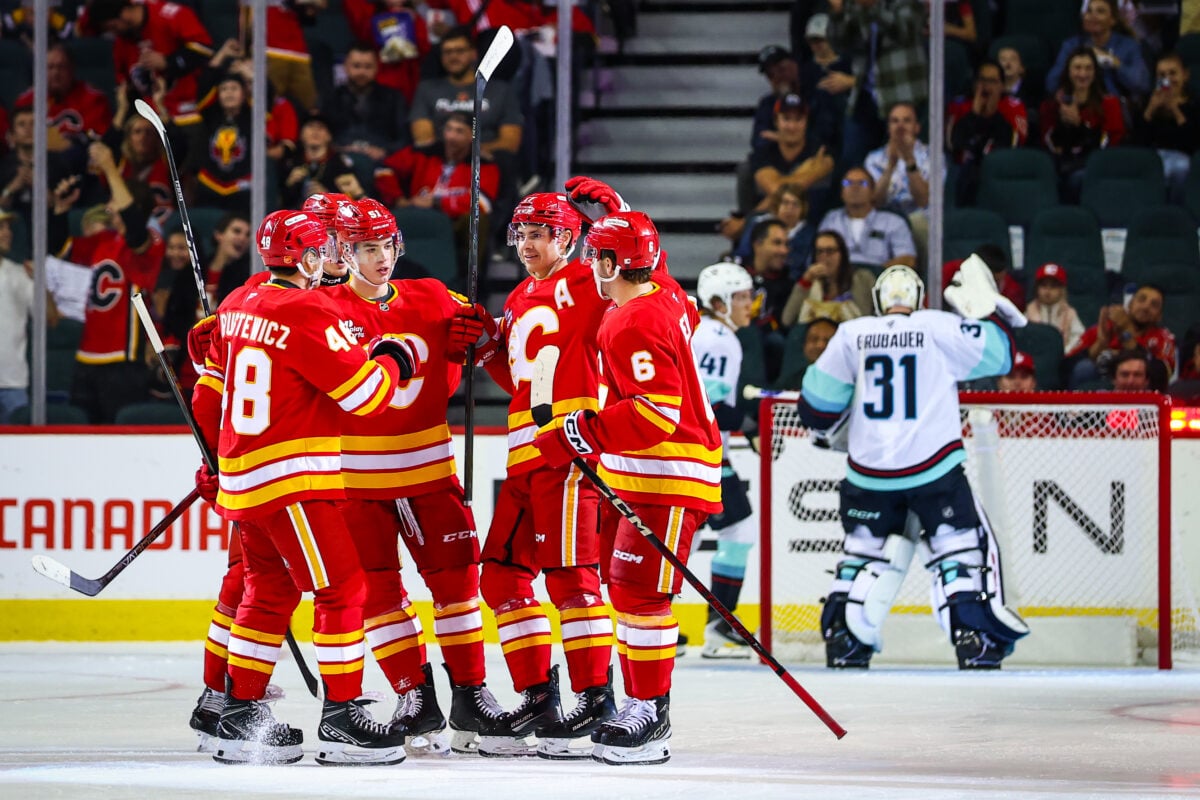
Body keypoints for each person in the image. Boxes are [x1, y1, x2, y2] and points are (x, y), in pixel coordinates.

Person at [190, 209, 414, 765]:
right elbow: (365, 397)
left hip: (245, 479)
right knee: (343, 589)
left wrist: (215, 459)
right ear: (309, 257)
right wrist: (392, 359)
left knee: (268, 591)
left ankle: (237, 714)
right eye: (323, 251)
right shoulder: (308, 309)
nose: (329, 261)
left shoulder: (238, 302)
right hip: (292, 477)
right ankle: (342, 717)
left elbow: (208, 393)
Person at [532, 210, 722, 765]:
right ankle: (642, 703)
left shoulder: (633, 320)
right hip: (646, 471)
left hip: (669, 473)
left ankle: (649, 713)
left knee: (640, 594)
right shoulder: (666, 298)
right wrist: (621, 213)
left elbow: (656, 413)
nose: (589, 264)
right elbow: (667, 283)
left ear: (615, 265)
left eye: (597, 256)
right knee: (626, 589)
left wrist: (578, 432)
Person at [324, 198, 505, 755]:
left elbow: (499, 343)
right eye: (367, 248)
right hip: (355, 481)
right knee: (378, 594)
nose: (381, 258)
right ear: (343, 252)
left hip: (428, 469)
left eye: (387, 245)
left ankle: (471, 694)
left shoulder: (432, 295)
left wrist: (478, 338)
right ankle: (414, 696)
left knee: (458, 587)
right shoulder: (320, 308)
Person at [799, 264, 1030, 670]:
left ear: (878, 300)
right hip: (934, 467)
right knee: (958, 551)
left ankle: (844, 641)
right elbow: (1002, 356)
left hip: (868, 472)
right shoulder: (938, 326)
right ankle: (974, 639)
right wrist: (988, 310)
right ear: (920, 299)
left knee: (863, 554)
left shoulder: (852, 334)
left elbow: (816, 409)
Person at [465, 188, 621, 759]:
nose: (527, 245)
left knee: (571, 578)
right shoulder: (517, 296)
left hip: (567, 452)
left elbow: (643, 282)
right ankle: (538, 696)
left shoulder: (591, 280)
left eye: (540, 234)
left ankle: (596, 697)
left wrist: (619, 217)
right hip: (523, 455)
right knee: (501, 577)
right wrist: (487, 350)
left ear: (569, 238)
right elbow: (524, 384)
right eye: (522, 234)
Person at [47, 144, 163, 424]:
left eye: (114, 199)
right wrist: (60, 210)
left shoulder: (150, 244)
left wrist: (110, 167)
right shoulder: (103, 241)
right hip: (87, 357)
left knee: (120, 431)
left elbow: (134, 227)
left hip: (123, 359)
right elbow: (59, 248)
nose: (109, 206)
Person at [692, 262, 758, 660]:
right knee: (735, 531)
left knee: (697, 536)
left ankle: (654, 619)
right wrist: (752, 419)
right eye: (741, 297)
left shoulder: (705, 331)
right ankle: (718, 626)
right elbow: (710, 407)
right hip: (703, 454)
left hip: (698, 452)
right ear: (719, 303)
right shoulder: (719, 339)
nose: (749, 304)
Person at [85, 0, 214, 125]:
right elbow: (124, 83)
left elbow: (205, 49)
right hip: (151, 118)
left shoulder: (170, 15)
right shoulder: (121, 42)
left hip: (193, 108)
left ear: (125, 13)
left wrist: (168, 62)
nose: (113, 32)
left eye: (113, 26)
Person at [1040, 47, 1125, 203]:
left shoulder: (1109, 104)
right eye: (1077, 68)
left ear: (1095, 72)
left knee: (1077, 179)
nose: (1083, 74)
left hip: (1094, 166)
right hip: (1060, 163)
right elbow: (1049, 144)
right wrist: (1063, 123)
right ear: (1068, 71)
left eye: (1088, 68)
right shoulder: (1052, 105)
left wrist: (1080, 125)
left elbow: (1108, 145)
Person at [864, 102, 940, 260]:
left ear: (917, 127)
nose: (900, 126)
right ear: (888, 127)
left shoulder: (932, 156)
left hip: (919, 219)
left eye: (906, 120)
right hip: (884, 218)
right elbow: (874, 202)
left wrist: (909, 160)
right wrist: (890, 167)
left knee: (918, 221)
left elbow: (923, 200)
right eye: (895, 121)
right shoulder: (873, 159)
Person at [947, 60, 1028, 206]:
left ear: (1002, 85)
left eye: (992, 81)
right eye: (982, 80)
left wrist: (992, 116)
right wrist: (974, 115)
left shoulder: (1013, 107)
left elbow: (1013, 145)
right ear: (974, 83)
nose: (986, 86)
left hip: (1001, 172)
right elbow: (953, 144)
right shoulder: (959, 105)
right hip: (964, 173)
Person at [1067, 283, 1176, 388]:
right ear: (1130, 304)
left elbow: (1162, 376)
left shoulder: (1163, 337)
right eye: (1141, 300)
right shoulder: (1104, 327)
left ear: (1159, 316)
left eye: (1154, 305)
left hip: (1140, 396)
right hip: (1098, 393)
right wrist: (1101, 343)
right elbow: (1066, 367)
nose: (1146, 307)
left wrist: (1128, 334)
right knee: (1085, 368)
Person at [1045, 0, 1150, 109]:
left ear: (1112, 20)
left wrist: (1115, 63)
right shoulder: (1072, 45)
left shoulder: (1129, 46)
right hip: (1080, 106)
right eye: (1089, 11)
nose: (1092, 16)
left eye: (1100, 11)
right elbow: (1051, 84)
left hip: (1116, 108)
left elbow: (1142, 84)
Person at [321, 43, 411, 165]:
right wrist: (338, 149)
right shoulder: (330, 98)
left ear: (376, 68)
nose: (362, 72)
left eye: (368, 67)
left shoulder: (394, 98)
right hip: (338, 162)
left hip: (383, 162)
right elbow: (319, 133)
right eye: (356, 66)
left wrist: (385, 151)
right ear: (345, 67)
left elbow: (404, 138)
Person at [816, 167, 916, 271]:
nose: (854, 187)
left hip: (877, 276)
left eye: (862, 183)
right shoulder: (831, 220)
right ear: (841, 192)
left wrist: (878, 274)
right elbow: (818, 254)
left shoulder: (894, 222)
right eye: (848, 183)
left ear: (873, 191)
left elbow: (908, 259)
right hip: (837, 276)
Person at [748, 93, 834, 213]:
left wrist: (757, 211)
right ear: (776, 121)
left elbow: (780, 191)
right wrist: (810, 172)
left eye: (798, 119)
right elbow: (776, 190)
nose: (792, 126)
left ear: (806, 121)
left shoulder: (820, 151)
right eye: (786, 119)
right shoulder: (763, 153)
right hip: (771, 221)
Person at [1134, 52, 1200, 203]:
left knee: (1180, 168)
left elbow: (1193, 143)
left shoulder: (1194, 104)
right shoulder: (1146, 103)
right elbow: (1137, 142)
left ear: (1185, 75)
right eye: (1162, 75)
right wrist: (1150, 110)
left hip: (1183, 158)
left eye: (1172, 73)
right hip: (1152, 157)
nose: (1168, 80)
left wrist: (1175, 111)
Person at [782, 229, 869, 327]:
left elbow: (866, 317)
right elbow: (787, 320)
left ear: (842, 254)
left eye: (830, 251)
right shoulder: (811, 282)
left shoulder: (862, 278)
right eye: (819, 251)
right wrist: (805, 281)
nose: (824, 256)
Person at [0, 210, 35, 422]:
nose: (7, 233)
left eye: (8, 227)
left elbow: (50, 318)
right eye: (1, 227)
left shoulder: (19, 274)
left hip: (12, 382)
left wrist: (40, 282)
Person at [1025, 262, 1084, 353]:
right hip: (1036, 357)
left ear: (1062, 290)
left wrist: (1066, 351)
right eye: (1043, 286)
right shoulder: (1030, 311)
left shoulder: (1069, 313)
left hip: (1064, 356)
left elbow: (1079, 338)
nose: (1048, 291)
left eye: (1053, 286)